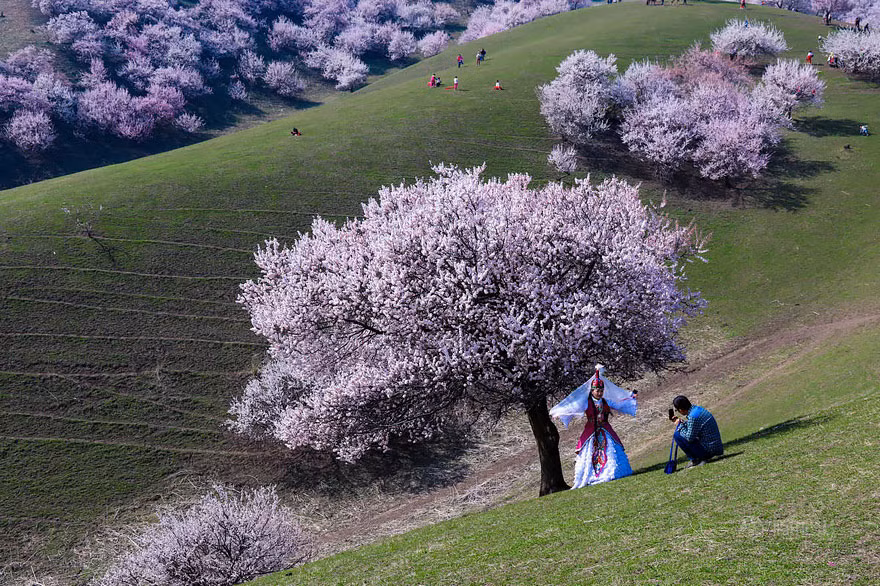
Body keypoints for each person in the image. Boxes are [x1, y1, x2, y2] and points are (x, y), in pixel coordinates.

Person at [550, 365, 637, 488]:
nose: (600, 393)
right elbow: (574, 407)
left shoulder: (606, 401)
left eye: (601, 391)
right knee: (590, 453)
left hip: (606, 430)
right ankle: (592, 476)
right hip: (591, 432)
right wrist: (561, 412)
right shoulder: (587, 402)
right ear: (592, 391)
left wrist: (630, 397)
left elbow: (618, 403)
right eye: (597, 391)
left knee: (611, 451)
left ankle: (612, 472)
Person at [670, 395, 723, 468]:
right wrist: (683, 423)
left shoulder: (692, 416)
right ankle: (697, 459)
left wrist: (680, 426)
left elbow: (689, 438)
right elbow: (694, 428)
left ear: (681, 409)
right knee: (679, 434)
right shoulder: (697, 410)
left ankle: (697, 459)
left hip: (709, 450)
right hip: (716, 447)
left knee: (677, 435)